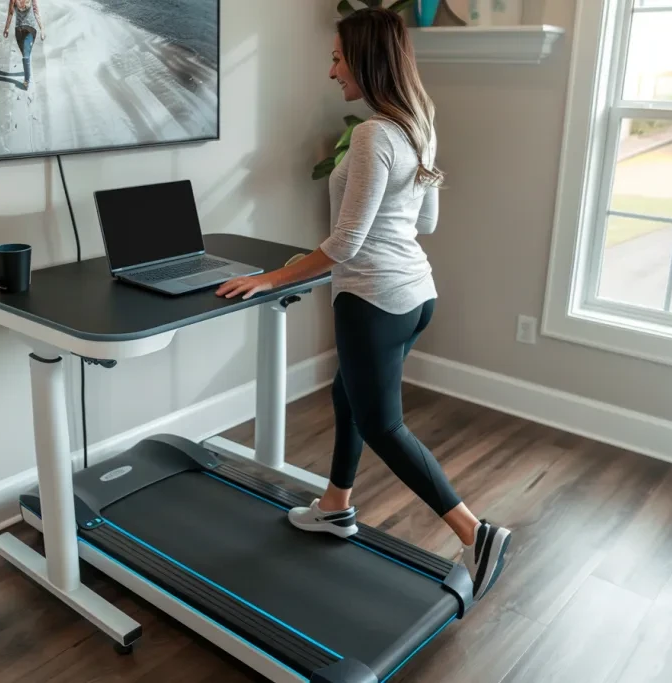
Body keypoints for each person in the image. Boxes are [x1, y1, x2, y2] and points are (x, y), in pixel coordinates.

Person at [215, 7, 511, 601]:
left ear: (366, 61)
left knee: (383, 424)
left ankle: (474, 532)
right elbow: (425, 220)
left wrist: (274, 277)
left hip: (372, 299)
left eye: (336, 58)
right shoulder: (418, 124)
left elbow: (347, 243)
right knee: (346, 393)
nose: (331, 72)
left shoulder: (375, 133)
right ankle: (335, 505)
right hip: (415, 294)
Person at [4, 0, 46, 90]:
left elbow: (36, 12)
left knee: (26, 57)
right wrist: (6, 28)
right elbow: (10, 13)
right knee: (25, 54)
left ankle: (27, 80)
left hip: (30, 29)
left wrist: (42, 29)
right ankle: (28, 71)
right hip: (18, 31)